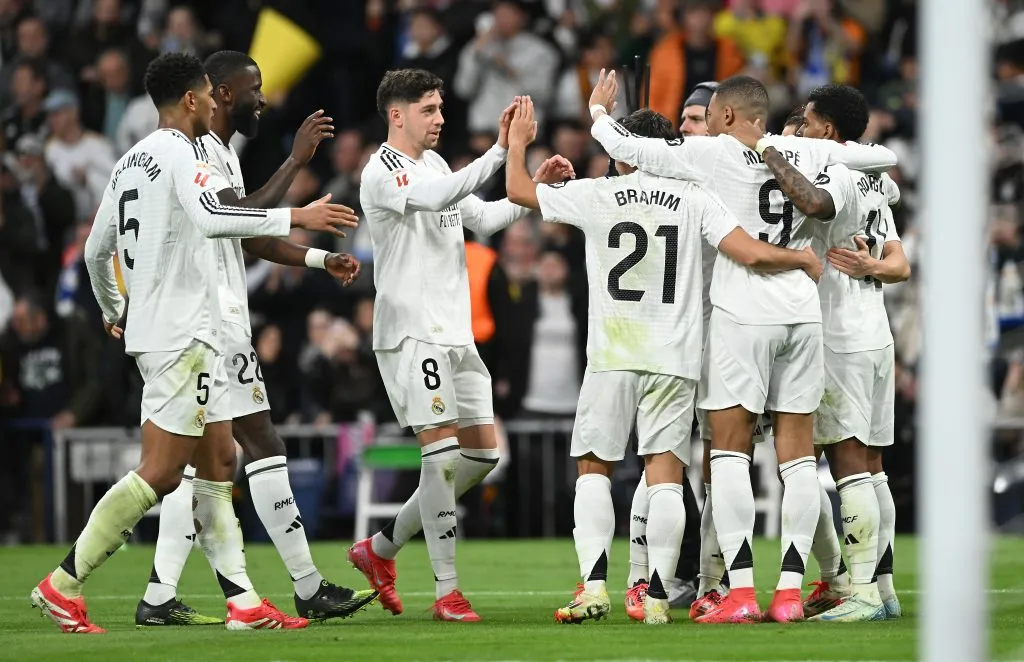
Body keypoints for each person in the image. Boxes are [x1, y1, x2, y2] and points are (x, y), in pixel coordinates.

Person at [29, 52, 357, 634]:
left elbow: (93, 249)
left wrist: (115, 309)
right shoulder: (182, 153)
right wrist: (296, 215)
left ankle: (244, 603)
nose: (213, 103)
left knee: (216, 464)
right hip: (185, 333)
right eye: (209, 94)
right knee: (159, 472)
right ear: (190, 99)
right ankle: (63, 583)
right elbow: (214, 216)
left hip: (165, 329)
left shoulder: (128, 160)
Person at [588, 70, 897, 623]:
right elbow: (875, 167)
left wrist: (598, 114)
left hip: (740, 316)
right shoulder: (814, 154)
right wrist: (789, 150)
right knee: (800, 460)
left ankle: (739, 592)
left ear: (726, 116)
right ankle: (789, 593)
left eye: (709, 118)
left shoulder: (715, 155)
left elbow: (625, 147)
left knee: (728, 455)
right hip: (804, 317)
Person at [504, 98, 820, 625]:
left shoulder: (597, 194)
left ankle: (596, 586)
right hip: (675, 356)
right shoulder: (695, 197)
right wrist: (801, 258)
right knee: (666, 477)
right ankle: (656, 596)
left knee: (594, 470)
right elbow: (749, 252)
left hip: (612, 353)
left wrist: (517, 144)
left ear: (625, 153)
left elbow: (516, 191)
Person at [134, 50, 374, 627]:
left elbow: (251, 238)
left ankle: (163, 595)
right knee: (212, 460)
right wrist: (294, 164)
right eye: (253, 87)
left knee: (209, 464)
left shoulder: (218, 153)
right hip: (201, 328)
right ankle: (298, 586)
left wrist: (318, 259)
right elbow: (241, 215)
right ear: (217, 92)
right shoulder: (192, 156)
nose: (262, 98)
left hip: (220, 325)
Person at [347, 68, 571, 622]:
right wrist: (501, 151)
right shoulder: (381, 171)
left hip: (455, 333)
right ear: (396, 114)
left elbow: (485, 219)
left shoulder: (438, 163)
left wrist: (536, 189)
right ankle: (447, 591)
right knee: (443, 456)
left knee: (481, 456)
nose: (440, 118)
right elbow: (438, 197)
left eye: (441, 108)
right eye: (429, 109)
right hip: (410, 331)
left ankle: (379, 550)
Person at [752, 84, 909, 621]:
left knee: (845, 465)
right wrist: (874, 268)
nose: (802, 127)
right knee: (872, 465)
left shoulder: (838, 170)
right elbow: (899, 262)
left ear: (829, 131)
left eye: (808, 121)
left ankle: (859, 591)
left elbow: (816, 203)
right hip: (874, 334)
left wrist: (769, 151)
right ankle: (882, 588)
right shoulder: (875, 178)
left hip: (839, 334)